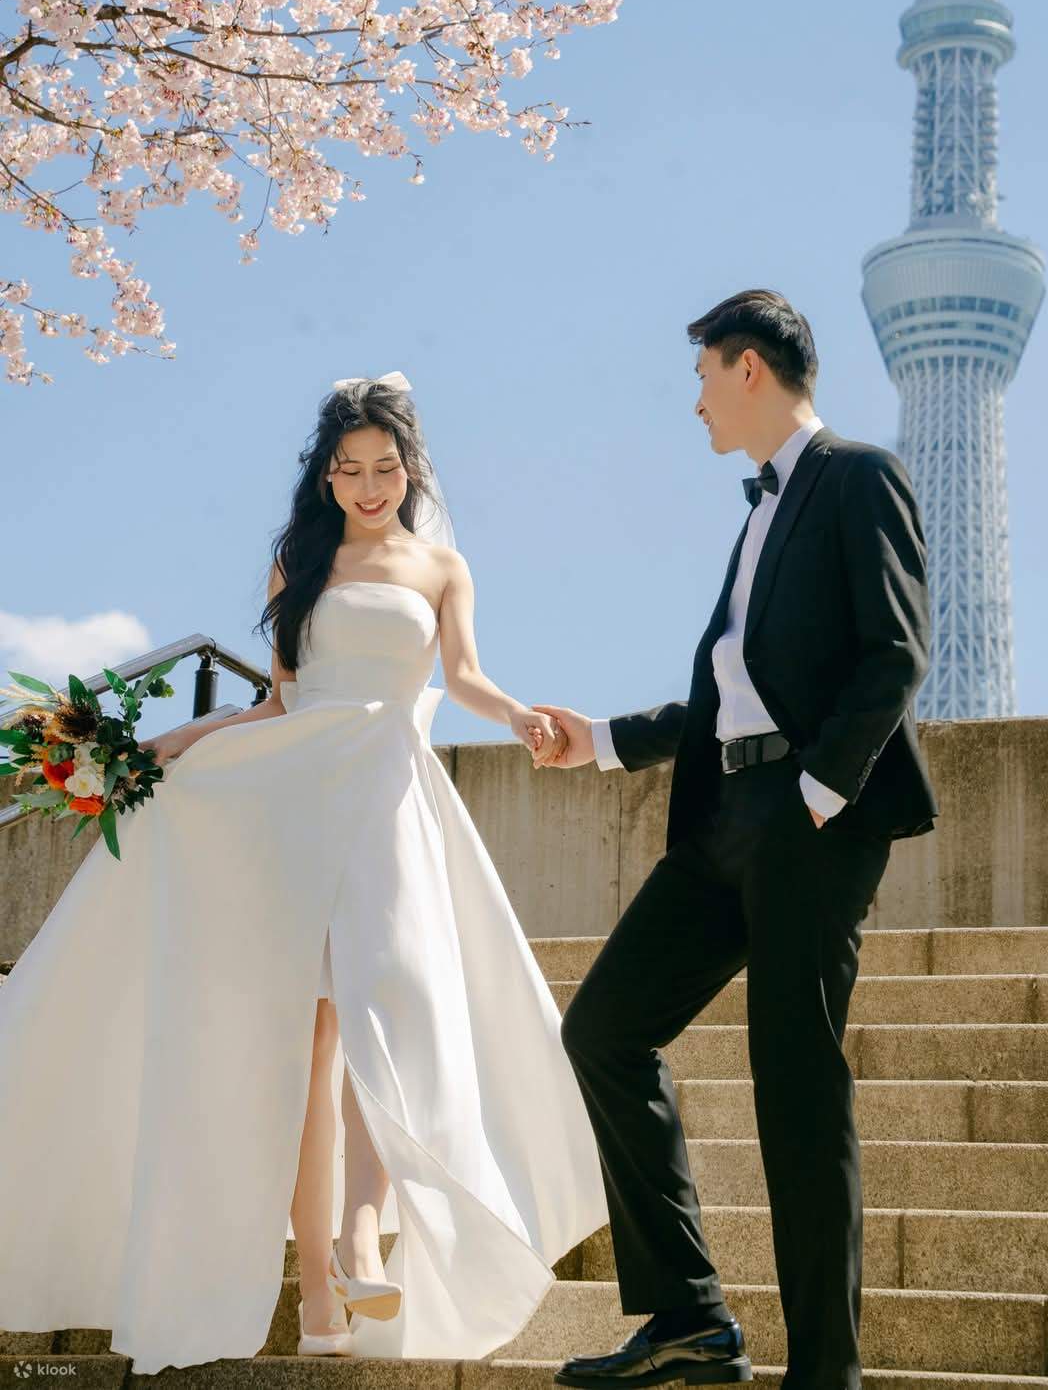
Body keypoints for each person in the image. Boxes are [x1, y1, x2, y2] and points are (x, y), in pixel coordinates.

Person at [0, 371, 608, 1375]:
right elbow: (276, 705)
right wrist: (173, 745)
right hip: (291, 797)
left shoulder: (443, 567)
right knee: (311, 1048)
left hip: (389, 799)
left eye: (383, 468)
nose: (368, 486)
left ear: (411, 469)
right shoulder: (301, 565)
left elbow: (461, 679)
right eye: (348, 470)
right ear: (325, 477)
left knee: (389, 1005)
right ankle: (321, 1294)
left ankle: (363, 1235)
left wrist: (521, 718)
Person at [534, 290, 939, 1390]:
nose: (697, 401)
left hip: (811, 823)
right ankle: (690, 1320)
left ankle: (826, 1374)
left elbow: (896, 653)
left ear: (749, 368)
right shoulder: (756, 513)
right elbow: (724, 700)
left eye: (704, 376)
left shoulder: (859, 478)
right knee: (605, 1031)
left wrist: (818, 795)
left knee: (795, 1087)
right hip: (719, 825)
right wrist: (601, 742)